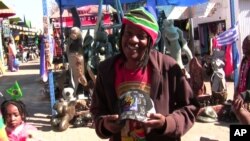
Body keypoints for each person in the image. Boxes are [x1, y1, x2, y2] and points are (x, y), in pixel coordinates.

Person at [90, 7, 200, 141]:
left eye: (141, 36)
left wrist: (166, 123)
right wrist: (104, 125)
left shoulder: (168, 67)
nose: (133, 40)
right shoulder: (106, 70)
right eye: (128, 33)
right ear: (122, 35)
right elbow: (97, 110)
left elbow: (191, 107)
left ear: (150, 41)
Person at [232, 35, 250, 124]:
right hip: (243, 98)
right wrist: (236, 90)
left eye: (246, 45)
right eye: (243, 44)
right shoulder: (244, 60)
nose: (243, 47)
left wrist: (243, 95)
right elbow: (241, 76)